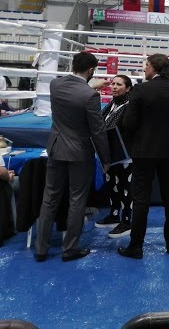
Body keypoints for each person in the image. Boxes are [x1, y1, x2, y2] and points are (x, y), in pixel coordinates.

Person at [35, 51, 111, 263]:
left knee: (49, 198)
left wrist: (91, 86)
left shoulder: (55, 85)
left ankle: (41, 249)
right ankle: (69, 249)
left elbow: (73, 94)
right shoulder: (90, 96)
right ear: (91, 70)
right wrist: (106, 159)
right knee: (77, 200)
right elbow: (97, 130)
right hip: (79, 151)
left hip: (57, 147)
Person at [118, 54, 169, 259]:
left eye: (146, 66)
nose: (144, 69)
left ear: (153, 68)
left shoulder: (141, 89)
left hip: (144, 151)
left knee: (141, 199)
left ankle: (136, 246)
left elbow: (129, 123)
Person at [95, 75, 133, 239]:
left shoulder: (130, 106)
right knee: (112, 186)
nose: (114, 87)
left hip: (126, 156)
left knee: (126, 189)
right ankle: (114, 215)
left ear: (128, 88)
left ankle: (126, 221)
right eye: (113, 84)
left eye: (119, 84)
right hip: (110, 154)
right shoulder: (111, 105)